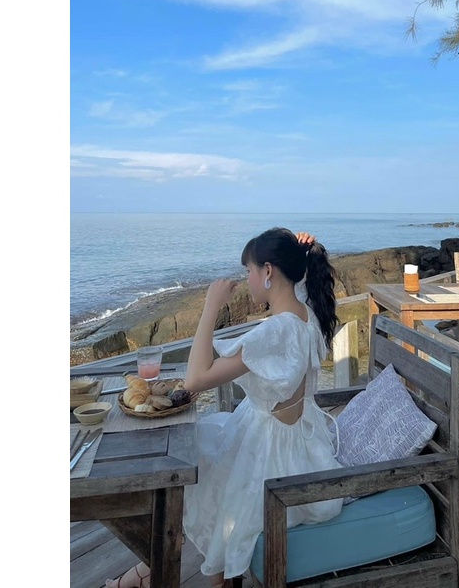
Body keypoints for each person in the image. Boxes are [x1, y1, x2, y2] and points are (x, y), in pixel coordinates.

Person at [106, 228, 344, 588]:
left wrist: (211, 305)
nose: (247, 280)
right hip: (291, 442)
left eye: (249, 271)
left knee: (189, 468)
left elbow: (195, 379)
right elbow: (301, 284)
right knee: (202, 466)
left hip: (267, 453)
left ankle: (152, 572)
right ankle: (162, 572)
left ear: (268, 271)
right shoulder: (305, 315)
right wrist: (302, 251)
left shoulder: (274, 331)